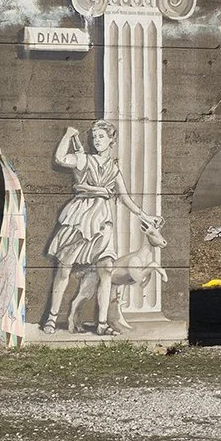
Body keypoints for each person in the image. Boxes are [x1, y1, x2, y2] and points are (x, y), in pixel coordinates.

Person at [43, 120, 157, 333]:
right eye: (94, 137)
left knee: (106, 270)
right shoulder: (84, 159)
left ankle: (102, 324)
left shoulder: (114, 169)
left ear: (111, 140)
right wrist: (68, 135)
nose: (96, 140)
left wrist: (145, 216)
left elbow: (125, 198)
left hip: (102, 220)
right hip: (79, 218)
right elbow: (59, 158)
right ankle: (51, 318)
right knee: (64, 269)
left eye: (101, 136)